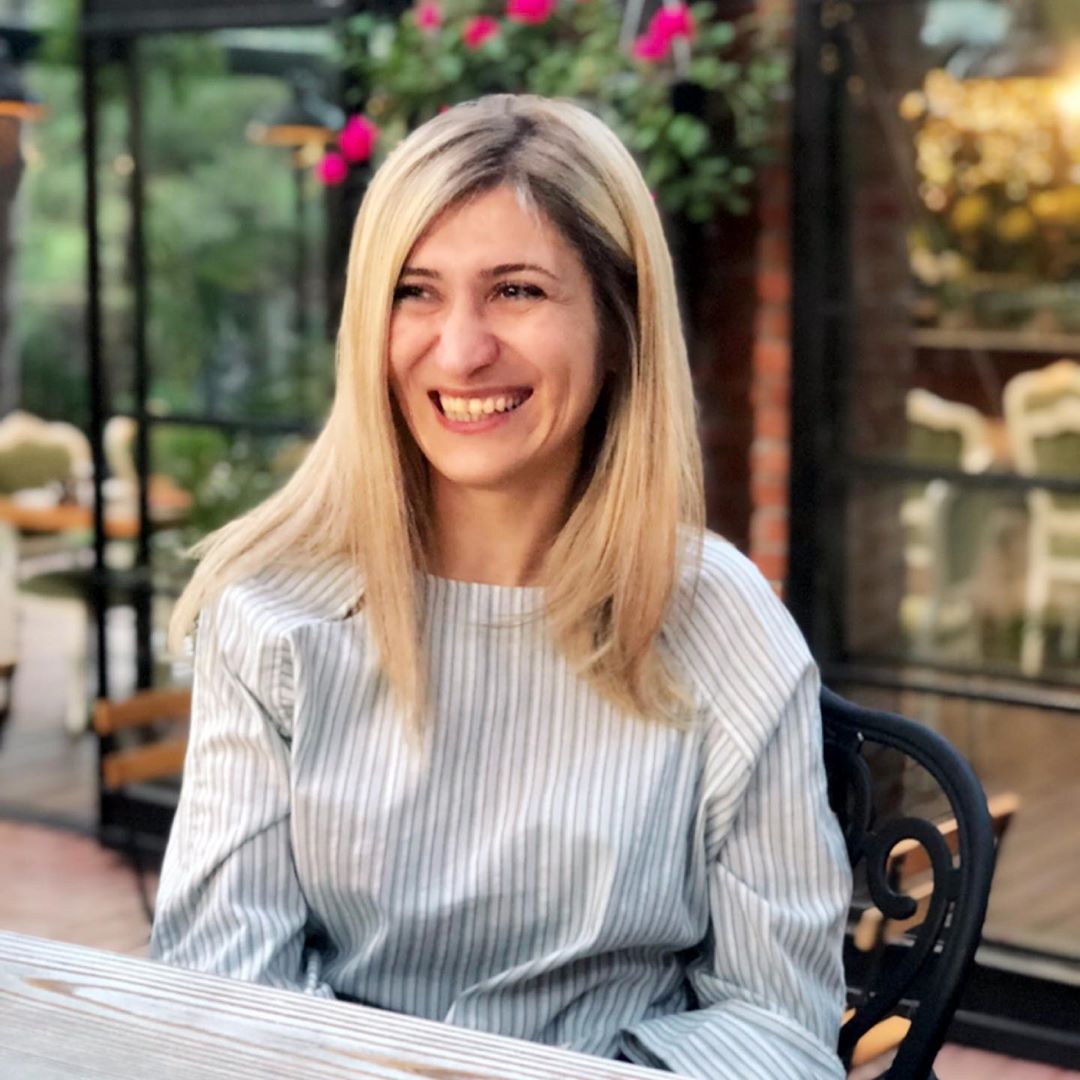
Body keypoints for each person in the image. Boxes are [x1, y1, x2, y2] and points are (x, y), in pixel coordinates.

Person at [151, 94, 852, 1078]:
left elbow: (778, 1031)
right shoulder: (274, 611)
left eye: (516, 290)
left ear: (620, 325)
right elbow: (221, 993)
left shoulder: (720, 622)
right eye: (416, 292)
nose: (461, 349)